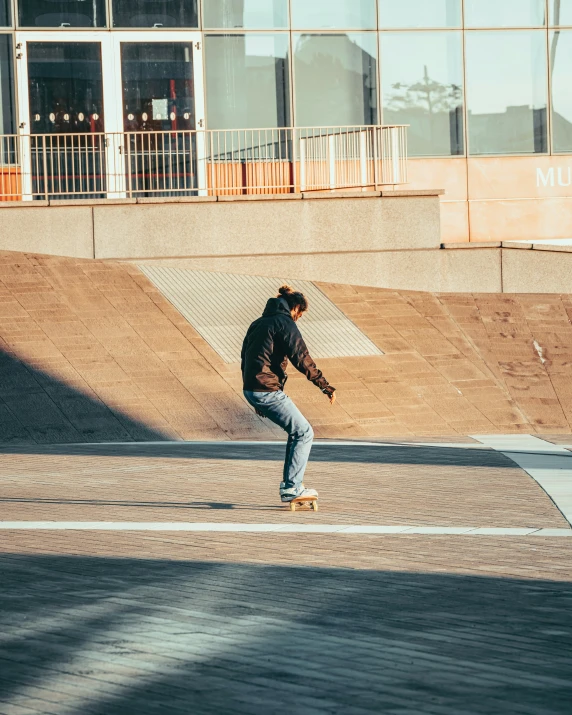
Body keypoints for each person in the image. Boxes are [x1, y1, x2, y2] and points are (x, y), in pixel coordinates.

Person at [241, 285, 336, 503]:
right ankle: (292, 487)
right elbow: (301, 357)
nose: (298, 320)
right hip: (266, 389)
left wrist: (253, 394)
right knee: (304, 432)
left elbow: (245, 358)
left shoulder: (257, 323)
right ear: (294, 308)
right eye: (299, 315)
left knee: (297, 432)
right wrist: (324, 385)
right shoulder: (284, 323)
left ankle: (290, 484)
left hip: (252, 388)